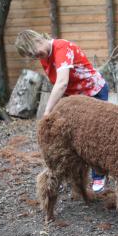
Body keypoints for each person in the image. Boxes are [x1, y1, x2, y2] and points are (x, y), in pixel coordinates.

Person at [15, 29, 108, 193]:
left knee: (96, 136)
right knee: (77, 136)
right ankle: (77, 175)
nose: (35, 57)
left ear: (37, 40)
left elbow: (62, 83)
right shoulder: (45, 56)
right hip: (77, 99)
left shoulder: (61, 48)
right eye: (31, 56)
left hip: (94, 92)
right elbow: (60, 85)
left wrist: (47, 111)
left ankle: (99, 175)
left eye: (33, 52)